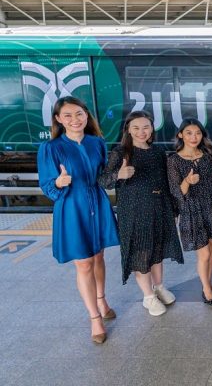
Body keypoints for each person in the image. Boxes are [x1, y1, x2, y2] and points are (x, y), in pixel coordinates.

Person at [38, 96, 119, 344]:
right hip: (72, 207)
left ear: (86, 115)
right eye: (68, 115)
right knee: (83, 263)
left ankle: (101, 299)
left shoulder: (97, 143)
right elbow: (47, 187)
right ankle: (94, 318)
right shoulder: (50, 148)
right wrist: (58, 182)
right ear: (58, 119)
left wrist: (118, 174)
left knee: (98, 257)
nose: (75, 119)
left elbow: (104, 176)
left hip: (98, 203)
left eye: (79, 114)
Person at [98, 111, 184, 316]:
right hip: (134, 212)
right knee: (141, 252)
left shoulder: (158, 151)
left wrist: (173, 208)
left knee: (158, 250)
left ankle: (159, 287)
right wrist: (118, 174)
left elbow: (167, 182)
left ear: (152, 128)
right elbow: (103, 181)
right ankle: (148, 296)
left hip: (159, 207)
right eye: (136, 128)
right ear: (128, 130)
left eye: (146, 127)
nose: (141, 132)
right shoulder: (120, 153)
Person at [167, 118, 212, 306]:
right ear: (180, 135)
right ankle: (206, 289)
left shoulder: (207, 156)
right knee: (204, 254)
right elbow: (176, 192)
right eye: (189, 133)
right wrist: (187, 181)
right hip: (192, 210)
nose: (194, 137)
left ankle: (209, 282)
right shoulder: (174, 160)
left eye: (198, 133)